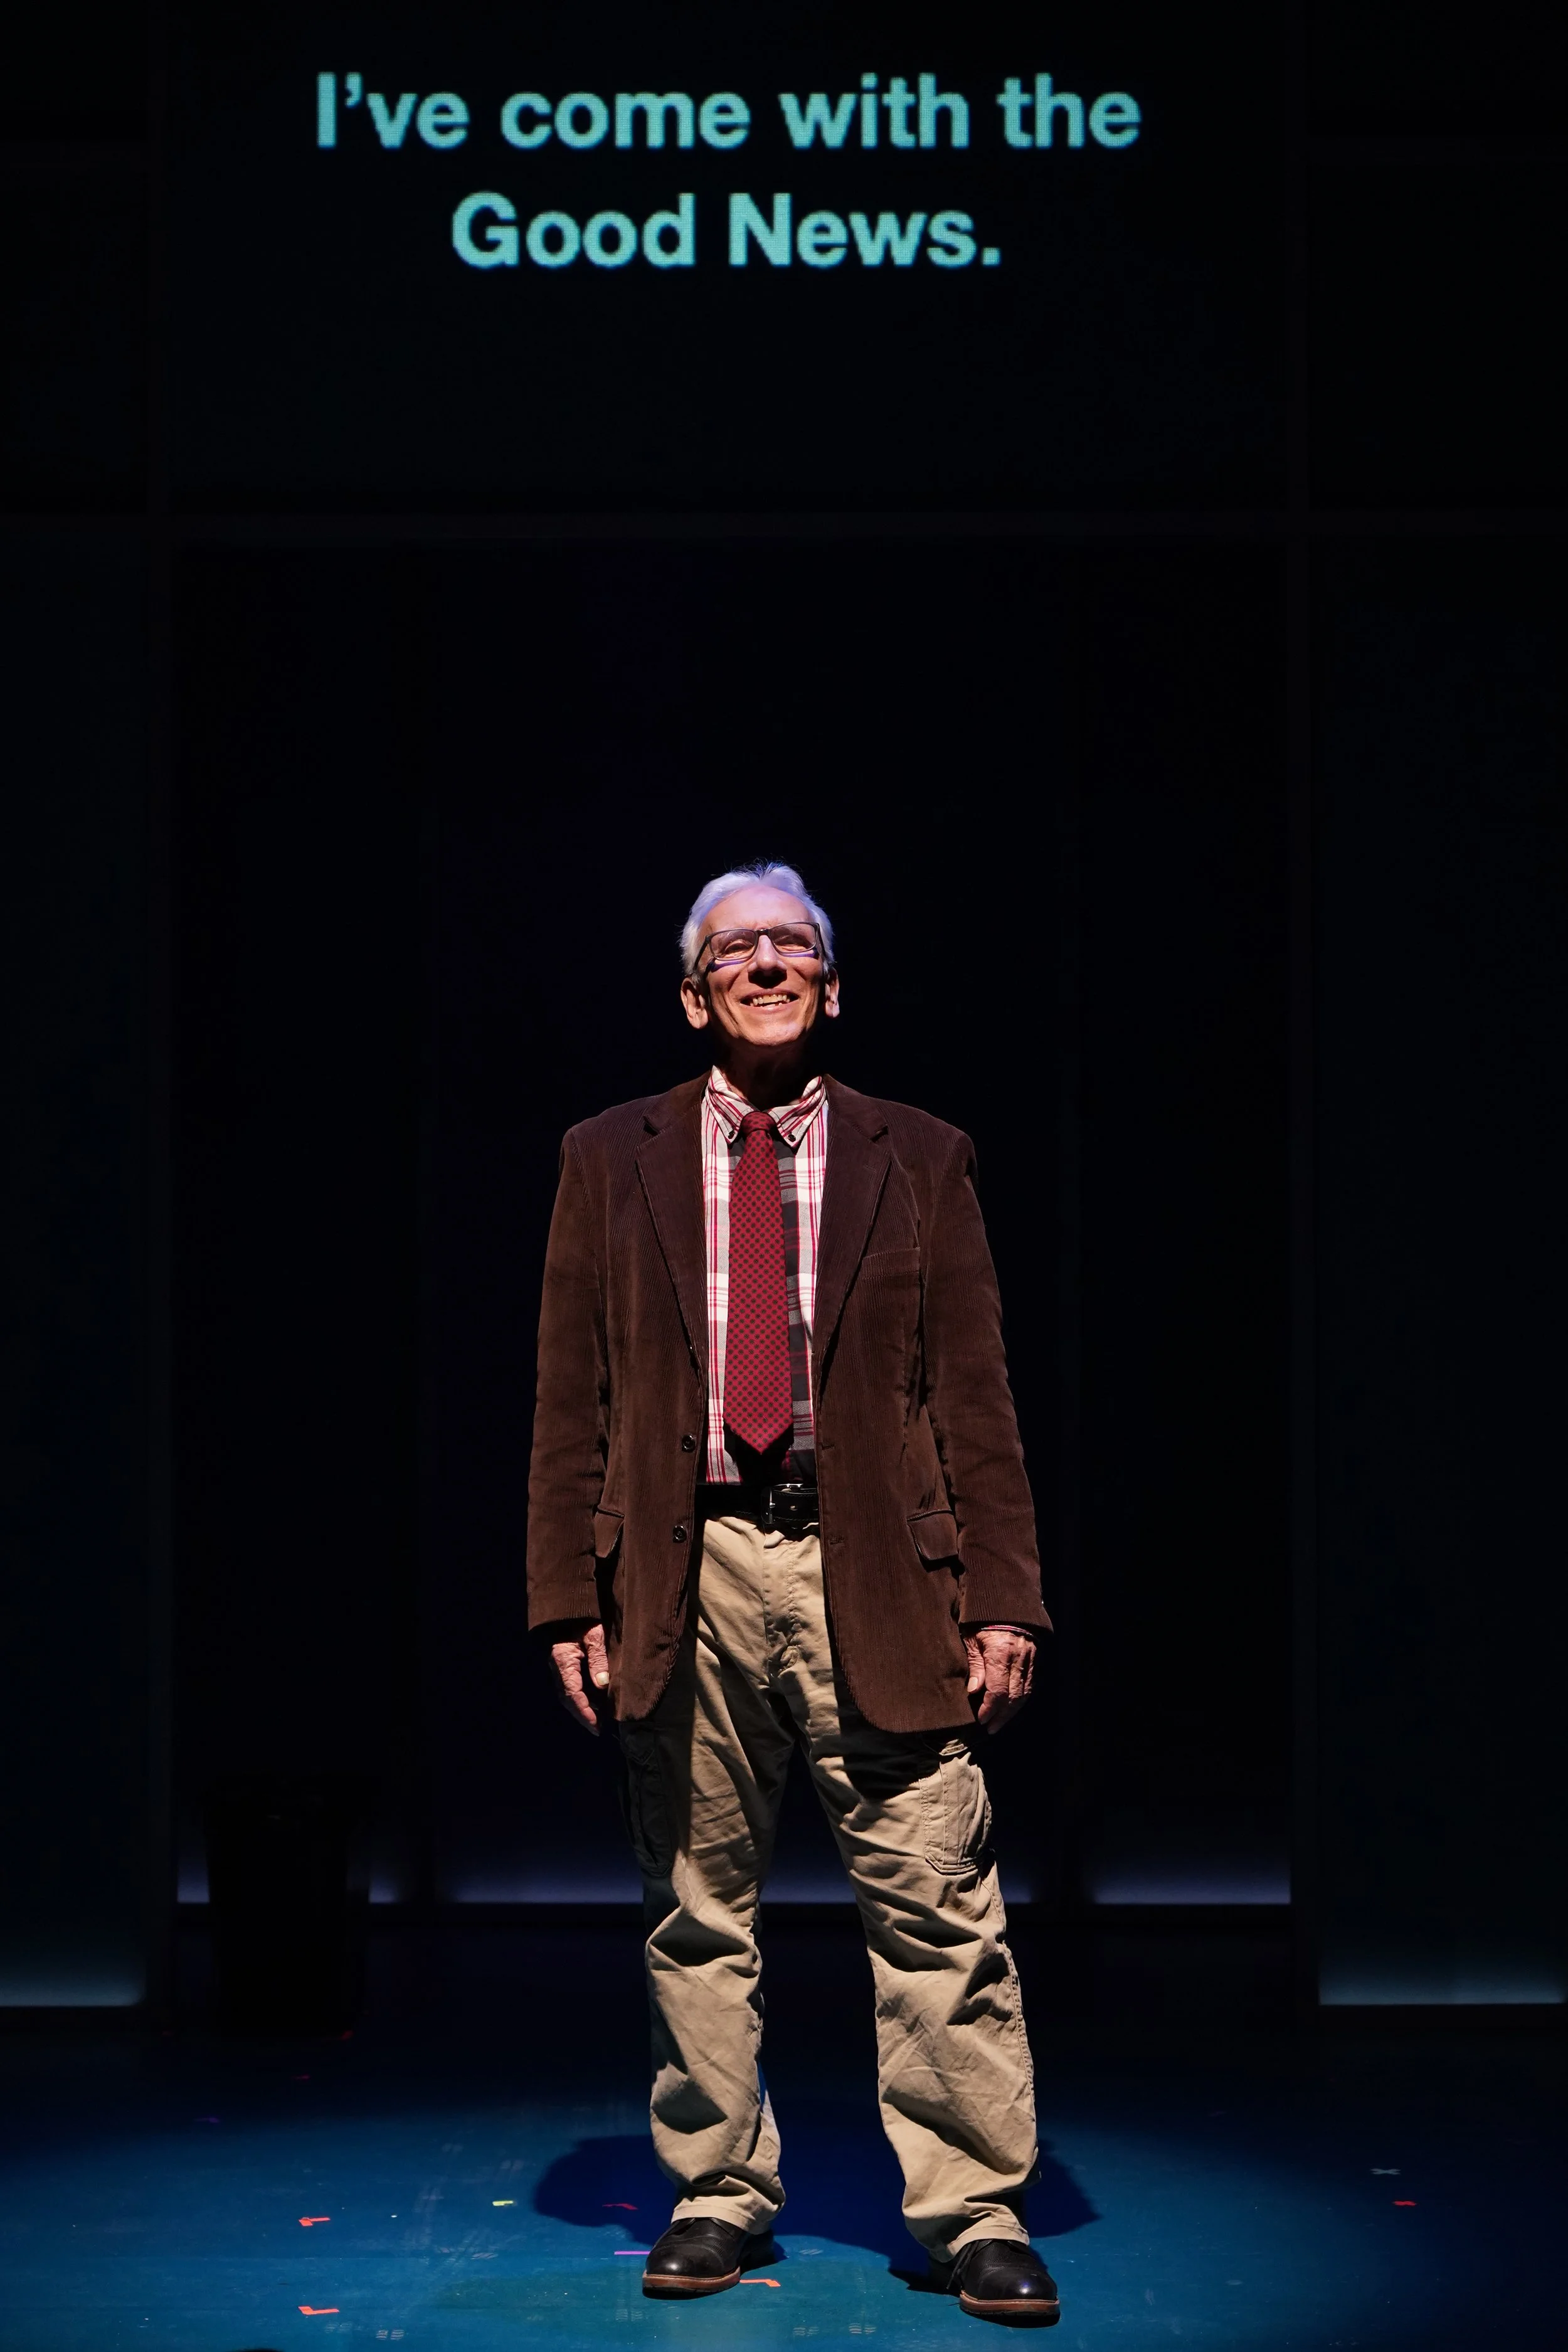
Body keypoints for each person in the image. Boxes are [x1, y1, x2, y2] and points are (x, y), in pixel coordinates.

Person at [527, 861, 1058, 2325]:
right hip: (682, 1564)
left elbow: (975, 1393)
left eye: (790, 945)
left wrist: (1003, 1596)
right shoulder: (606, 1154)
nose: (763, 965)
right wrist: (562, 1594)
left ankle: (970, 2210)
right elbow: (569, 1394)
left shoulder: (920, 1154)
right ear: (692, 992)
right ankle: (714, 2191)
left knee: (937, 1901)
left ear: (830, 979)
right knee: (695, 1904)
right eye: (733, 949)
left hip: (875, 1569)